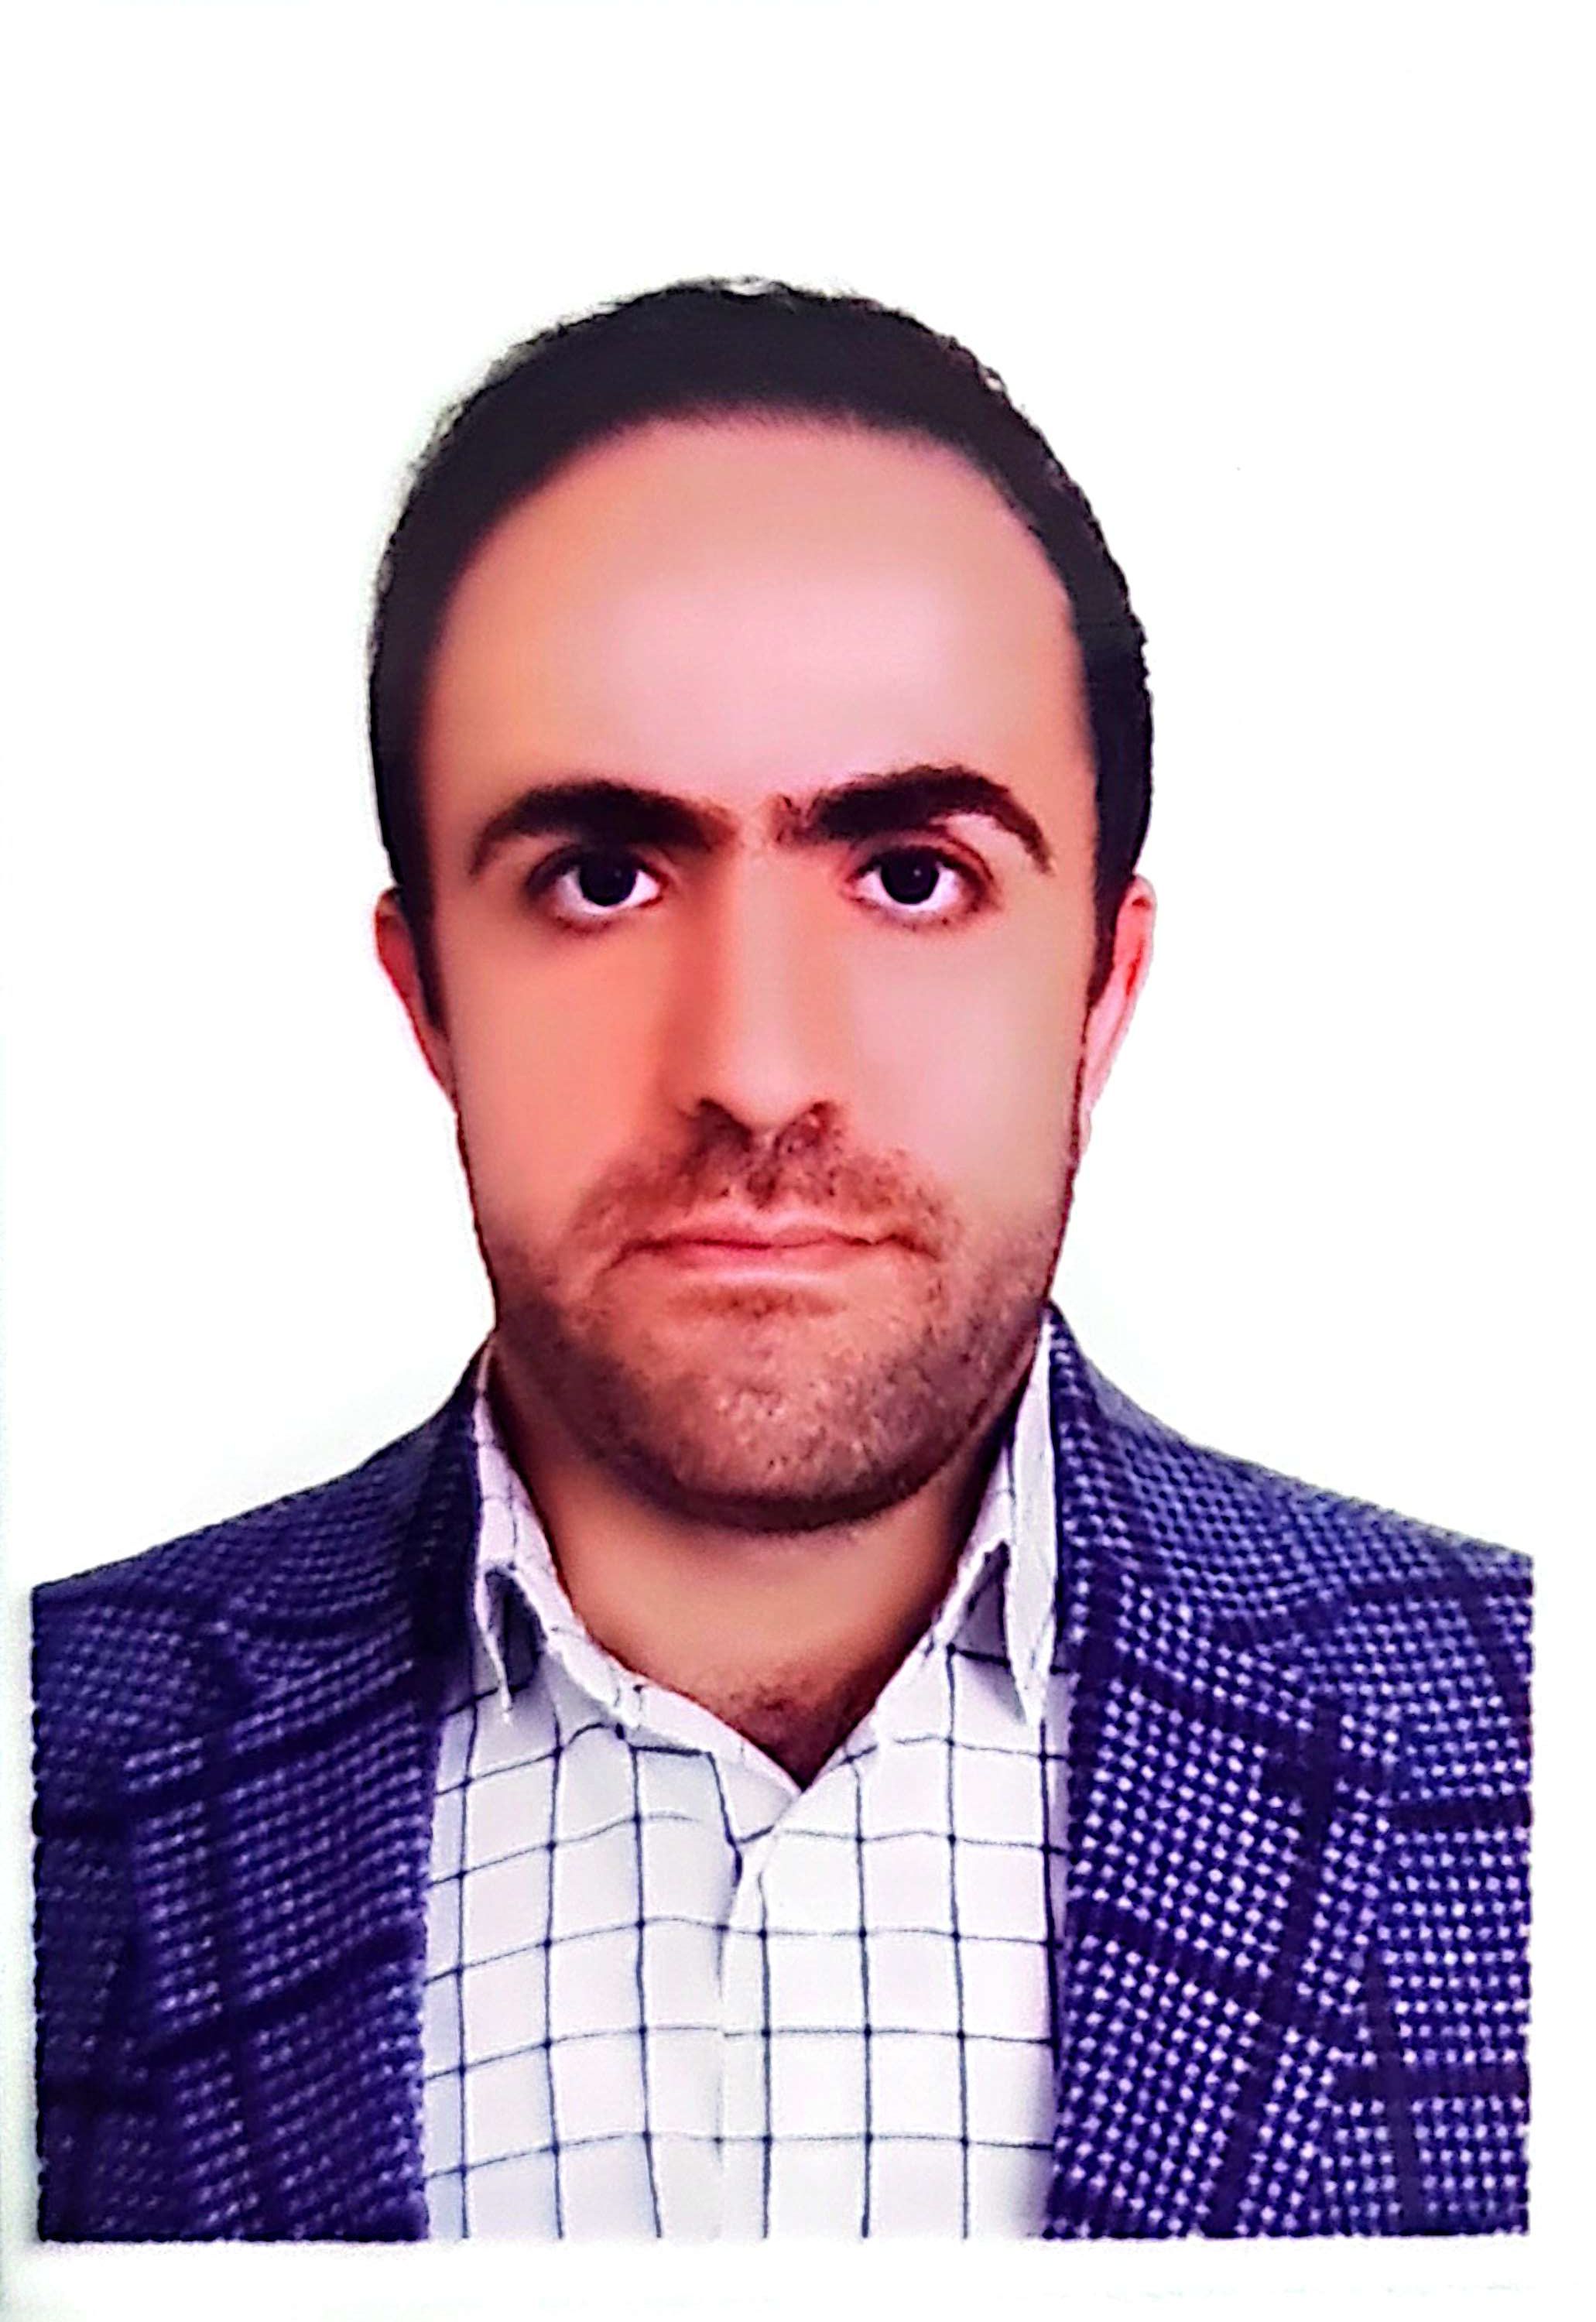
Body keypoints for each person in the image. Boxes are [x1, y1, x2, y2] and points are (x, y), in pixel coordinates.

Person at [30, 278, 1531, 2243]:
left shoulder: (1530, 1734)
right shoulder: (49, 1753)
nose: (753, 1068)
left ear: (1100, 992)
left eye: (910, 877)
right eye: (599, 878)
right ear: (428, 999)